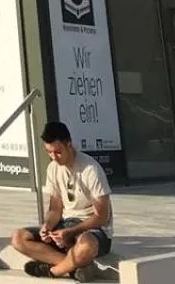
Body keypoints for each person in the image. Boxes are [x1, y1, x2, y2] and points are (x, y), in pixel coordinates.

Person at [11, 120, 113, 281]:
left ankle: (54, 271)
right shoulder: (53, 168)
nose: (54, 157)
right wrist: (47, 226)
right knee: (18, 238)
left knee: (86, 245)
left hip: (91, 229)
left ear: (69, 145)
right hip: (66, 225)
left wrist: (71, 232)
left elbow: (101, 216)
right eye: (49, 152)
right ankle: (74, 267)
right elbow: (55, 208)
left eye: (58, 152)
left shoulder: (91, 169)